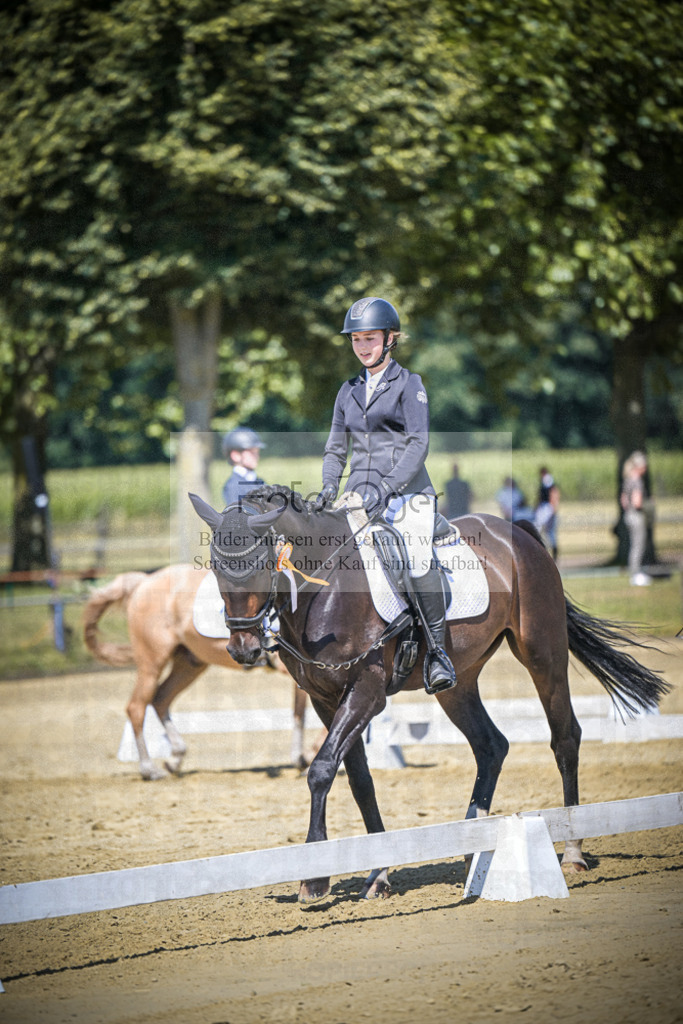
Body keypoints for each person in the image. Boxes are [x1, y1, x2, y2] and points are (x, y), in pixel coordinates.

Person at [314, 295, 456, 694]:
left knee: (415, 556)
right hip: (358, 496)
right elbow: (335, 448)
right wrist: (329, 485)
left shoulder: (410, 384)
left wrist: (387, 487)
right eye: (356, 340)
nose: (362, 347)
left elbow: (418, 444)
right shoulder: (348, 390)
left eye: (370, 338)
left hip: (408, 493)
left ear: (390, 338)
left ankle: (439, 655)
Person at [620, 451, 652, 586]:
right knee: (638, 546)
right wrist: (649, 505)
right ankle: (635, 574)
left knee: (634, 546)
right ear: (639, 467)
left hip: (628, 515)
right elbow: (637, 502)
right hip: (637, 516)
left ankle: (635, 572)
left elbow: (623, 501)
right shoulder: (637, 481)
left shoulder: (627, 479)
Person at [221, 427, 265, 508]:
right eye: (252, 452)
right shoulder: (233, 486)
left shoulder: (259, 481)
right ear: (236, 455)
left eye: (257, 452)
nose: (257, 456)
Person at [534, 466, 560, 560]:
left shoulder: (547, 480)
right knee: (547, 532)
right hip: (546, 507)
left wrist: (553, 508)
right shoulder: (547, 481)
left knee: (539, 528)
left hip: (547, 507)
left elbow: (553, 493)